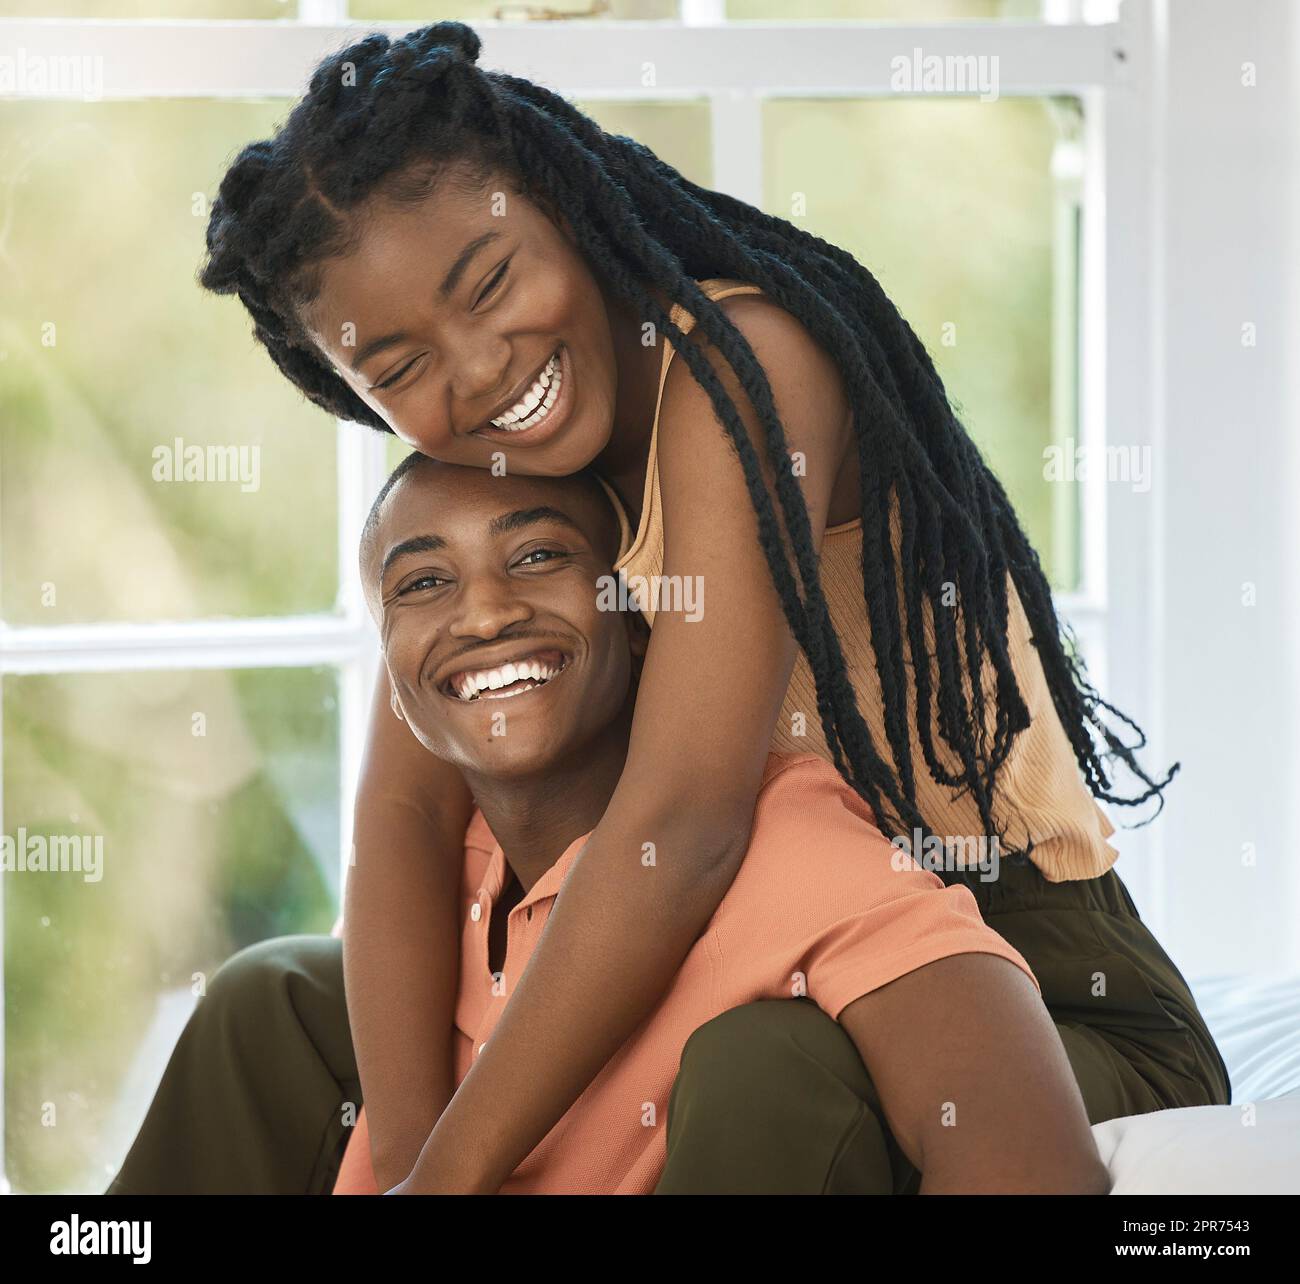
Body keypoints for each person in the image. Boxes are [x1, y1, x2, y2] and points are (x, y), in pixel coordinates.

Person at [185, 20, 1229, 1194]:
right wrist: (415, 1162)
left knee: (757, 1067)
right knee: (274, 1005)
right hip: (725, 945)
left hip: (1009, 981)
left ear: (566, 203)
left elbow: (682, 828)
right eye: (397, 367)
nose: (475, 370)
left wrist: (454, 1179)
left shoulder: (748, 370)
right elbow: (408, 825)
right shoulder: (504, 454)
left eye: (488, 284)